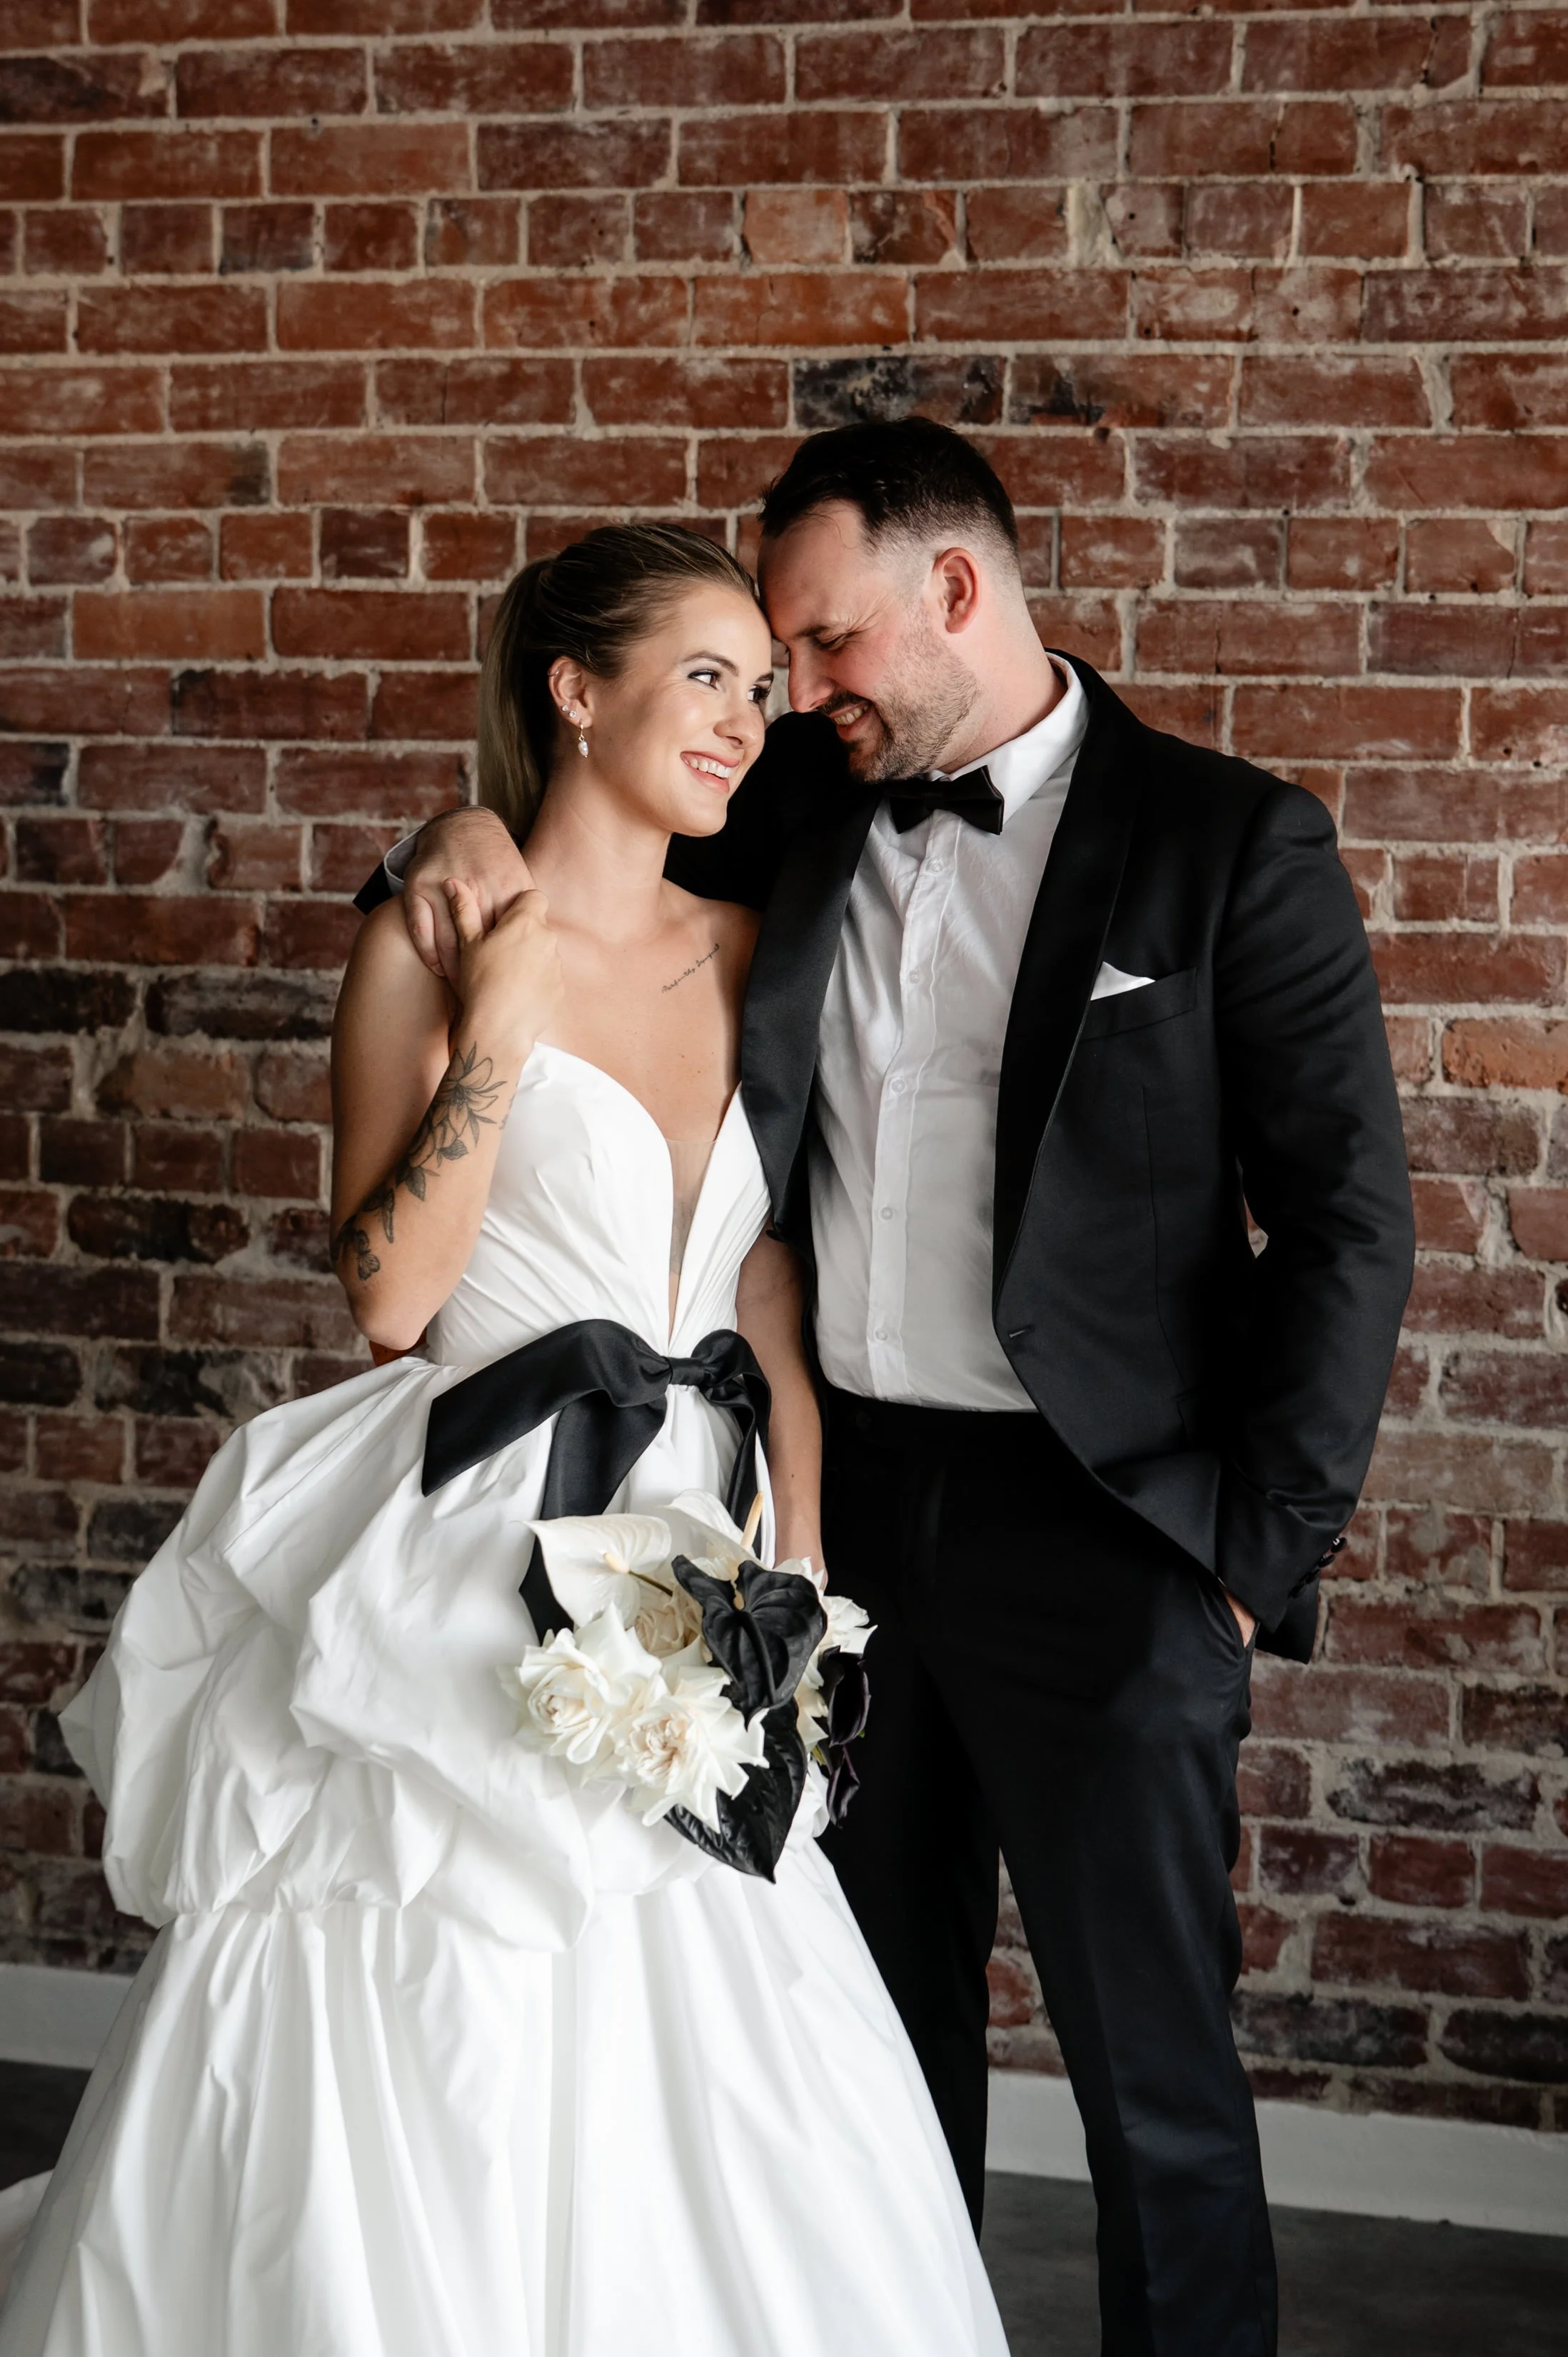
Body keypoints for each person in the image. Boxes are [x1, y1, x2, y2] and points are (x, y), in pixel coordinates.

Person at [371, 421, 1417, 2357]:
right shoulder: (803, 807)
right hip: (827, 1517)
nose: (796, 695)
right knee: (863, 2041)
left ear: (955, 589)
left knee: (1152, 2079)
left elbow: (1347, 1220)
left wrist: (1251, 1555)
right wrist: (446, 841)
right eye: (771, 661)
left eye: (826, 644)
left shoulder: (1223, 841)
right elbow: (569, 828)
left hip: (1109, 1533)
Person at [0, 524, 1007, 2357]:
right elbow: (387, 1302)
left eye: (764, 691)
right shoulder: (428, 938)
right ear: (575, 691)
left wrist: (796, 1547)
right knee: (436, 1960)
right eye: (707, 676)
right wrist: (499, 1027)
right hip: (479, 1535)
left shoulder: (766, 949)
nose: (747, 721)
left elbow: (762, 1282)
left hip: (699, 1556)